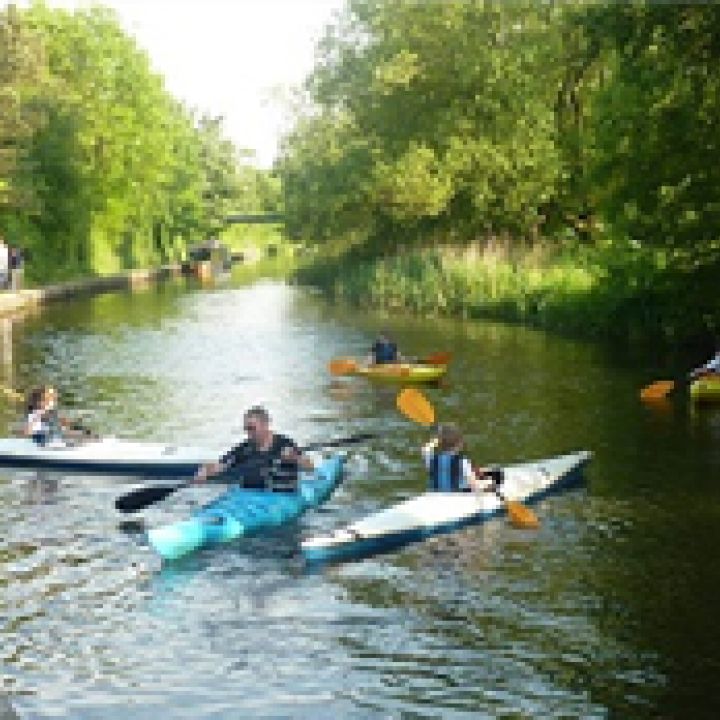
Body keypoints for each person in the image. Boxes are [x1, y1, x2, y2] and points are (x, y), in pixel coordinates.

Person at [193, 406, 313, 492]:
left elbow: (309, 466)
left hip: (280, 496)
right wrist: (205, 471)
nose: (248, 433)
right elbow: (220, 465)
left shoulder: (285, 443)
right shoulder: (244, 448)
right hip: (249, 496)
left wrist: (294, 458)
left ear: (265, 425)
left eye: (252, 428)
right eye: (246, 428)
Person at [421, 422, 494, 493]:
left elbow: (425, 448)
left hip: (435, 498)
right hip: (456, 499)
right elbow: (473, 485)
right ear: (460, 444)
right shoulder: (462, 462)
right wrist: (488, 487)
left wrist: (437, 440)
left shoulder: (431, 459)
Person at [23, 385, 90, 445]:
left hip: (55, 437)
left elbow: (65, 423)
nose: (53, 402)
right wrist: (40, 418)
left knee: (79, 431)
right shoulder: (34, 414)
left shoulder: (53, 413)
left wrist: (76, 421)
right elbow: (28, 431)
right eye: (49, 399)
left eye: (53, 399)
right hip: (42, 438)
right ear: (38, 401)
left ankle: (87, 439)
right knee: (67, 434)